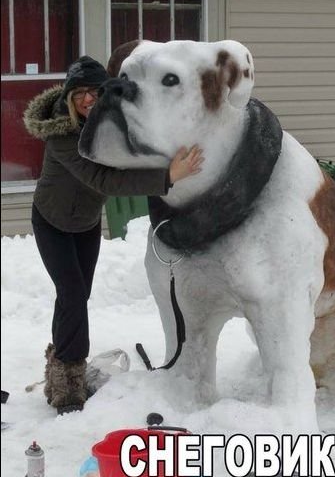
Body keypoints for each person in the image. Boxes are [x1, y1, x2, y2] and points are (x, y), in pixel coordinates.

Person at [23, 56, 204, 415]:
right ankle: (67, 382)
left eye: (95, 92)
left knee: (76, 295)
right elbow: (104, 180)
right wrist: (168, 176)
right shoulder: (62, 137)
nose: (88, 99)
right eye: (81, 94)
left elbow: (133, 154)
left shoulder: (107, 127)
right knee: (72, 293)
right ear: (70, 98)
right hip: (52, 221)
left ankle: (61, 358)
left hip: (86, 222)